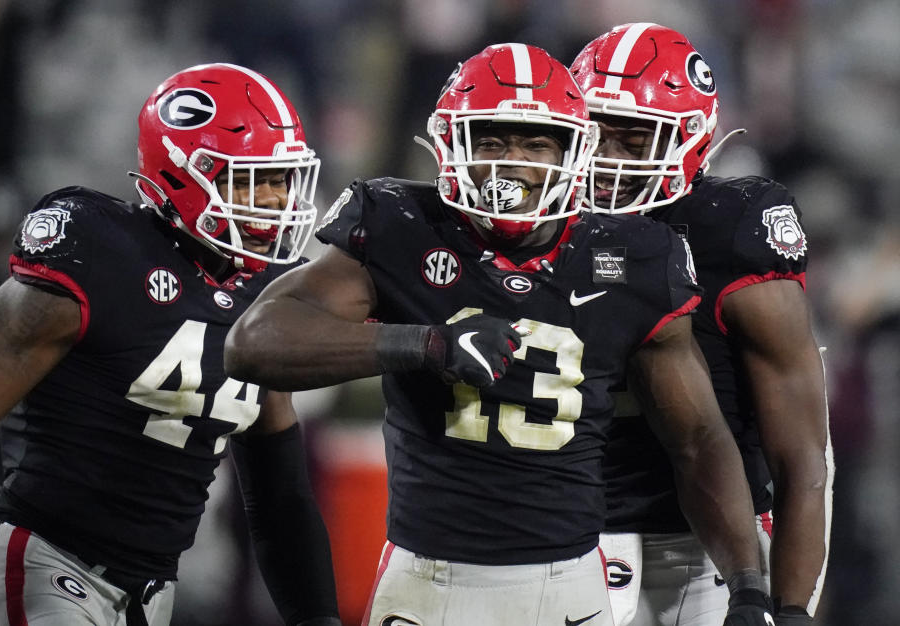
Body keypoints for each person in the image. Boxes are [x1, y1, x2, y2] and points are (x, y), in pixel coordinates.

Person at [224, 43, 774, 626]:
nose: (511, 161)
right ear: (450, 145)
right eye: (490, 140)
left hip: (572, 584)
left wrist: (747, 587)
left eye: (536, 142)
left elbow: (698, 440)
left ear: (574, 149)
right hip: (428, 579)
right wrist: (425, 344)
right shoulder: (402, 225)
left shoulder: (632, 256)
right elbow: (254, 342)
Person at [0, 63, 340, 626]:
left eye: (282, 179)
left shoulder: (266, 296)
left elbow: (280, 495)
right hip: (41, 562)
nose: (275, 200)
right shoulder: (103, 254)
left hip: (150, 595)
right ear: (183, 175)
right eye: (251, 180)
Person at [570, 23, 833, 626]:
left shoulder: (733, 229)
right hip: (566, 532)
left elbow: (803, 456)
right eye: (593, 136)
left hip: (707, 546)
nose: (606, 159)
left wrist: (788, 608)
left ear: (690, 139)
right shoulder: (539, 228)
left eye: (632, 140)